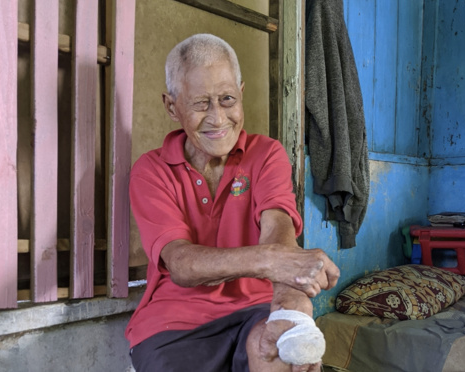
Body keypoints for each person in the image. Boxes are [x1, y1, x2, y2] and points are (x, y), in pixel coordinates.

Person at [125, 33, 340, 372]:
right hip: (173, 323)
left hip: (253, 311)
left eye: (226, 99)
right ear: (171, 106)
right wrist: (271, 261)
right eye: (200, 104)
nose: (217, 118)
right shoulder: (151, 170)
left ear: (240, 94)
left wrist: (291, 312)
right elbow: (181, 263)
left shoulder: (266, 153)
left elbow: (278, 228)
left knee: (280, 355)